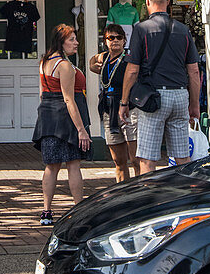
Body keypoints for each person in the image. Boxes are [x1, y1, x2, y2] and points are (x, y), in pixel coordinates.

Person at [120, 0, 200, 175]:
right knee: (182, 156)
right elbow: (194, 72)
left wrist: (124, 102)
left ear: (147, 1)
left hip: (154, 98)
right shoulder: (183, 30)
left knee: (148, 157)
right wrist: (195, 104)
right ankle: (183, 197)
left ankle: (151, 199)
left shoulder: (142, 29)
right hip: (180, 95)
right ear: (169, 1)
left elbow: (132, 70)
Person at [32, 24, 91, 227]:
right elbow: (68, 99)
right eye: (72, 39)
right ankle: (79, 209)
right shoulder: (64, 66)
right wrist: (81, 130)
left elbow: (42, 94)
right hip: (65, 119)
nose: (76, 43)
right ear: (61, 41)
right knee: (73, 164)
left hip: (47, 117)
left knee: (51, 166)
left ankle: (46, 211)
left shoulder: (44, 62)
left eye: (75, 39)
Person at [90, 24, 139, 182]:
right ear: (105, 41)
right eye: (111, 38)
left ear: (125, 40)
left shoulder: (129, 58)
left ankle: (140, 190)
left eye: (119, 37)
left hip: (129, 110)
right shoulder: (104, 58)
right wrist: (92, 65)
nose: (115, 41)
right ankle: (123, 191)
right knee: (118, 160)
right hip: (109, 110)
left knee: (136, 158)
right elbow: (93, 59)